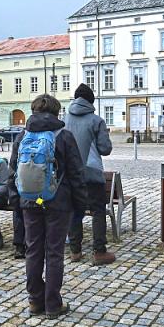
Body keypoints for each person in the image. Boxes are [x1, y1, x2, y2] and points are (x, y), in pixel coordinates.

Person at [8, 94, 87, 319]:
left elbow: (13, 172)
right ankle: (53, 304)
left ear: (33, 111)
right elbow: (76, 174)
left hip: (30, 201)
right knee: (54, 252)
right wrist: (80, 206)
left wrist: (17, 203)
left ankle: (35, 300)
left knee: (33, 250)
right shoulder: (64, 136)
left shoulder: (23, 135)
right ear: (56, 112)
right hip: (58, 201)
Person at [65, 83, 115, 266]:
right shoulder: (96, 120)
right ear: (91, 101)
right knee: (98, 211)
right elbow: (105, 148)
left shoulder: (65, 119)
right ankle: (99, 251)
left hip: (71, 173)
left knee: (74, 210)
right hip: (92, 172)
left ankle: (75, 251)